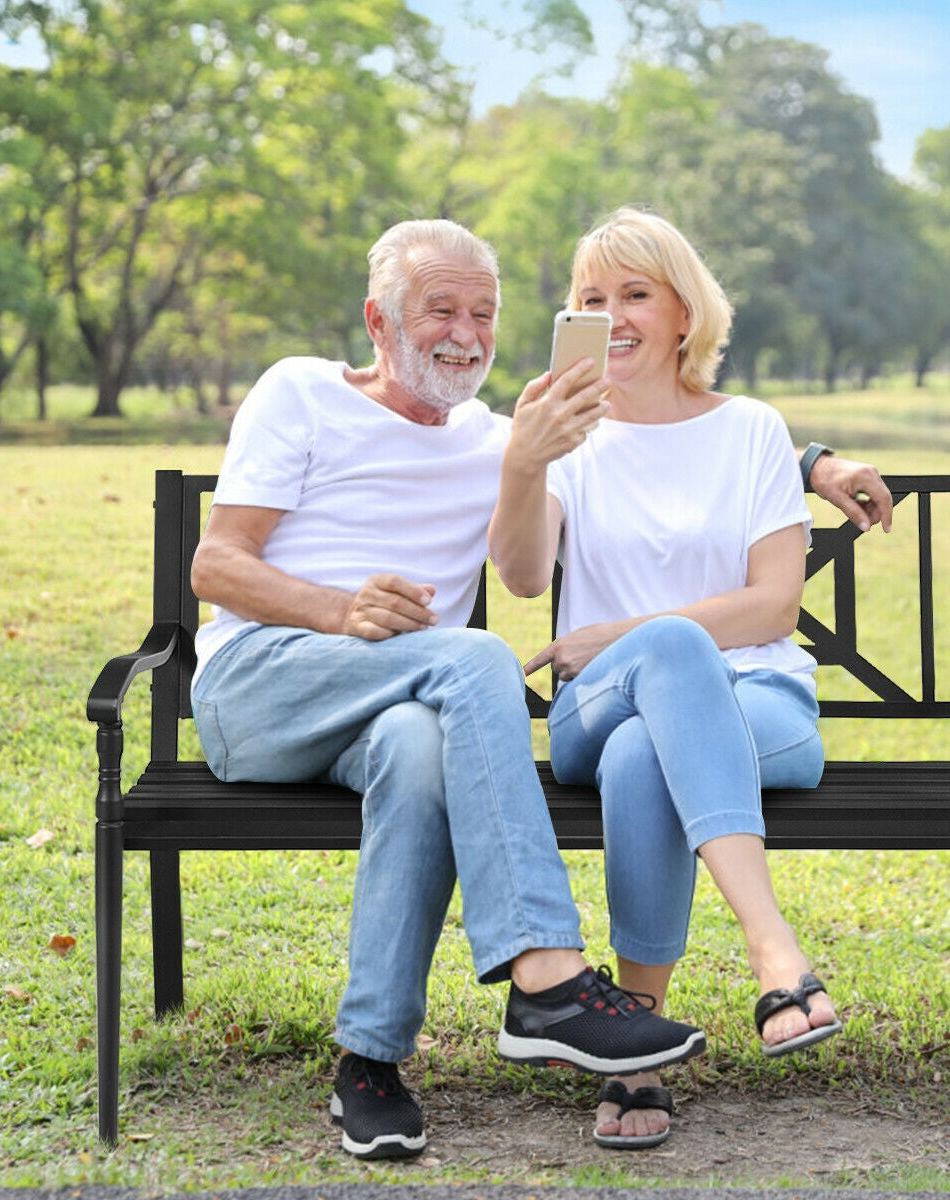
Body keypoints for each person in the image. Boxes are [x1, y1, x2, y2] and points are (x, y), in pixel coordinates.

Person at [188, 219, 711, 1163]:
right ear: (379, 321)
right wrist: (337, 608)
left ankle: (369, 1060)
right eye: (440, 310)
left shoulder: (505, 442)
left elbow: (663, 437)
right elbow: (215, 565)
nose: (465, 335)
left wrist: (815, 463)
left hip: (391, 711)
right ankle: (547, 976)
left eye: (484, 313)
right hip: (263, 685)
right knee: (472, 658)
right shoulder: (301, 392)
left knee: (421, 746)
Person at [488, 208, 882, 1151]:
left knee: (645, 749)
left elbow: (774, 606)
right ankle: (773, 949)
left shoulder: (751, 430)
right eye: (591, 299)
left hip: (757, 705)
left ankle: (638, 1047)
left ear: (683, 315)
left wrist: (622, 634)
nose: (611, 316)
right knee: (655, 678)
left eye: (635, 294)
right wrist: (525, 461)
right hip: (595, 708)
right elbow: (524, 576)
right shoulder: (567, 438)